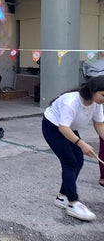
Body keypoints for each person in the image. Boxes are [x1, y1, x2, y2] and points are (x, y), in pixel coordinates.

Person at [41, 76, 104, 221]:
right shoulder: (72, 102)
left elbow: (100, 125)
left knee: (79, 161)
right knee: (70, 162)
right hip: (53, 127)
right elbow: (63, 128)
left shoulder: (97, 104)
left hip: (69, 128)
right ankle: (73, 202)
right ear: (93, 91)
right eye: (103, 95)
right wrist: (82, 144)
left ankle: (62, 196)